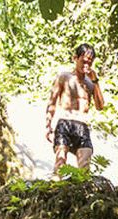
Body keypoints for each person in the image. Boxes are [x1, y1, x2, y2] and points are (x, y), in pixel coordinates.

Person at [45, 43, 105, 175]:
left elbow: (100, 106)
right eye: (83, 61)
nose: (86, 66)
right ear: (75, 58)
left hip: (82, 126)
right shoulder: (64, 77)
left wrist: (95, 82)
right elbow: (52, 102)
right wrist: (48, 125)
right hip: (64, 123)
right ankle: (56, 190)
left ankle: (82, 194)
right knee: (60, 163)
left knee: (85, 165)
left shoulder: (90, 83)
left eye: (90, 63)